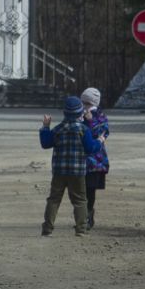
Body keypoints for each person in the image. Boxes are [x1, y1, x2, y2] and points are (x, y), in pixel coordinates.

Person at [40, 95, 102, 237]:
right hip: (77, 171)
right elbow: (90, 148)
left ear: (64, 112)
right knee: (80, 200)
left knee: (54, 199)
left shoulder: (58, 129)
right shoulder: (83, 130)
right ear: (80, 113)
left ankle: (47, 229)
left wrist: (45, 127)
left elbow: (45, 143)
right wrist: (99, 141)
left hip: (59, 171)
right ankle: (81, 229)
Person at [80, 86, 111, 229]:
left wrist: (90, 121)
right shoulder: (78, 115)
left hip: (95, 161)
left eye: (87, 104)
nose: (85, 107)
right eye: (83, 103)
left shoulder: (100, 116)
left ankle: (88, 214)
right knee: (80, 189)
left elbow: (102, 133)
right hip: (80, 159)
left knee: (90, 189)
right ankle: (82, 215)